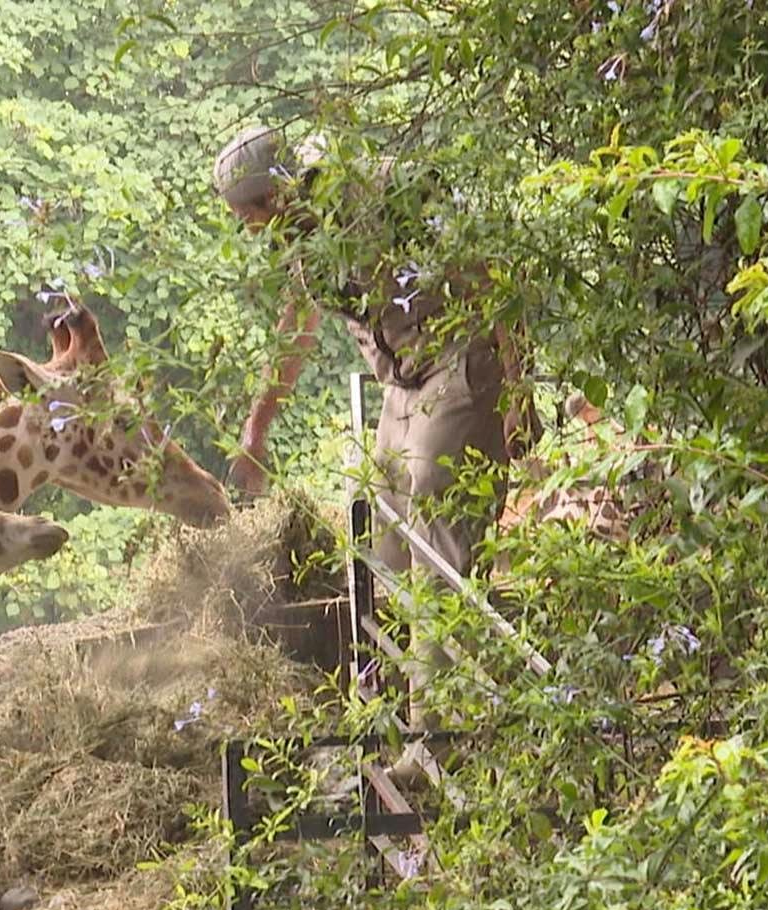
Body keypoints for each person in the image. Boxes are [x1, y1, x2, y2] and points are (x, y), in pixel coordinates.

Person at [213, 126, 531, 735]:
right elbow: (296, 326)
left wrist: (518, 390)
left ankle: (433, 735)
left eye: (246, 215)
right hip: (401, 383)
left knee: (435, 537)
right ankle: (384, 715)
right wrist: (255, 432)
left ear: (271, 197)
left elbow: (494, 273)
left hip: (457, 361)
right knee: (377, 541)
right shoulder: (299, 235)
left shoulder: (385, 192)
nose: (249, 229)